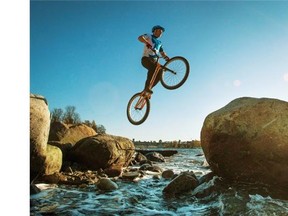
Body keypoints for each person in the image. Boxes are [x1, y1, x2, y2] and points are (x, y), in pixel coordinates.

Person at [138, 25, 170, 95]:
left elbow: (162, 52)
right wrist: (147, 42)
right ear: (154, 31)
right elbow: (140, 38)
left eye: (161, 33)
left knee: (160, 72)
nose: (160, 33)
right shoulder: (149, 35)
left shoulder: (160, 42)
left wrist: (166, 57)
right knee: (153, 67)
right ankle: (146, 87)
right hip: (146, 59)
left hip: (154, 61)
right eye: (159, 31)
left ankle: (148, 90)